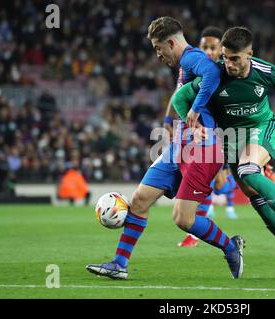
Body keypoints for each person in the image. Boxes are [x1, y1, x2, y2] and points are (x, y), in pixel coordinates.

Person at [86, 17, 244, 280]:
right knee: (139, 200)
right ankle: (120, 263)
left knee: (183, 220)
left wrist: (195, 109)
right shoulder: (185, 65)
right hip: (178, 147)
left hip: (203, 148)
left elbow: (213, 74)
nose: (158, 55)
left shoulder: (192, 58)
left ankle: (230, 247)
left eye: (159, 48)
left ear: (171, 42)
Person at [171, 27, 275, 280]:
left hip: (261, 128)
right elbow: (180, 97)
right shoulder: (215, 74)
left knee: (249, 171)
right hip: (232, 140)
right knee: (256, 199)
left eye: (235, 58)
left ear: (250, 55)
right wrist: (193, 125)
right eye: (225, 57)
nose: (229, 64)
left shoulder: (266, 72)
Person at [175, 26, 239, 248]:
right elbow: (178, 96)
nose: (209, 52)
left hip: (221, 136)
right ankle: (195, 231)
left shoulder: (223, 73)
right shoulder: (192, 69)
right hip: (200, 136)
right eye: (205, 47)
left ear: (221, 50)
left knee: (220, 184)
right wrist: (168, 122)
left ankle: (238, 184)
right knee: (205, 182)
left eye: (213, 48)